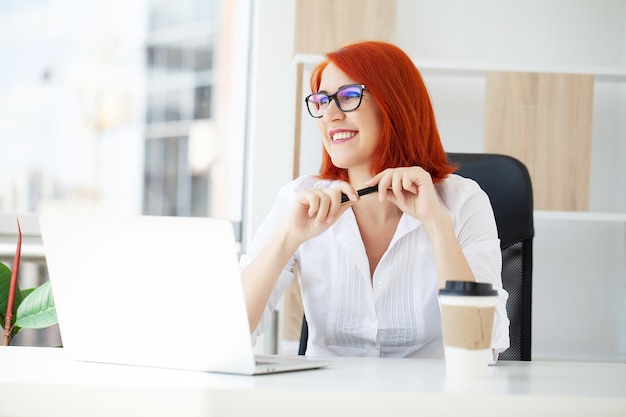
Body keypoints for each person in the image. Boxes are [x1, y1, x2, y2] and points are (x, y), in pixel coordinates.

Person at [240, 41, 509, 361]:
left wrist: (437, 225)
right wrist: (288, 238)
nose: (330, 115)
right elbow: (229, 334)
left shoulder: (464, 202)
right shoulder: (298, 201)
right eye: (322, 101)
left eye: (349, 96)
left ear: (394, 103)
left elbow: (479, 349)